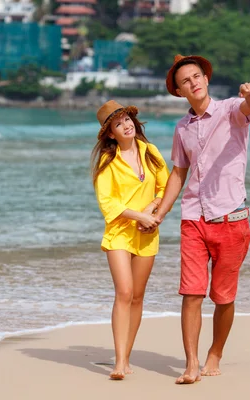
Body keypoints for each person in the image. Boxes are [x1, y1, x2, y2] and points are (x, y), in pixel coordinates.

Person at [152, 54, 250, 384]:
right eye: (186, 81)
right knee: (191, 292)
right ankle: (191, 363)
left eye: (197, 76)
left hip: (232, 218)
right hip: (193, 219)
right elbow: (178, 173)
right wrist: (162, 211)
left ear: (206, 79)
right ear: (179, 91)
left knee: (224, 296)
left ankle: (215, 353)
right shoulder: (182, 128)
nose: (194, 83)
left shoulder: (231, 109)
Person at [91, 100, 170, 380]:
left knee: (137, 296)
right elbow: (107, 202)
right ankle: (119, 362)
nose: (126, 125)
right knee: (124, 292)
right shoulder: (108, 161)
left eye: (128, 120)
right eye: (118, 123)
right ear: (110, 133)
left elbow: (166, 184)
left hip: (148, 232)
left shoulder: (151, 152)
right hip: (119, 232)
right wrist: (138, 214)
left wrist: (153, 209)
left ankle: (126, 355)